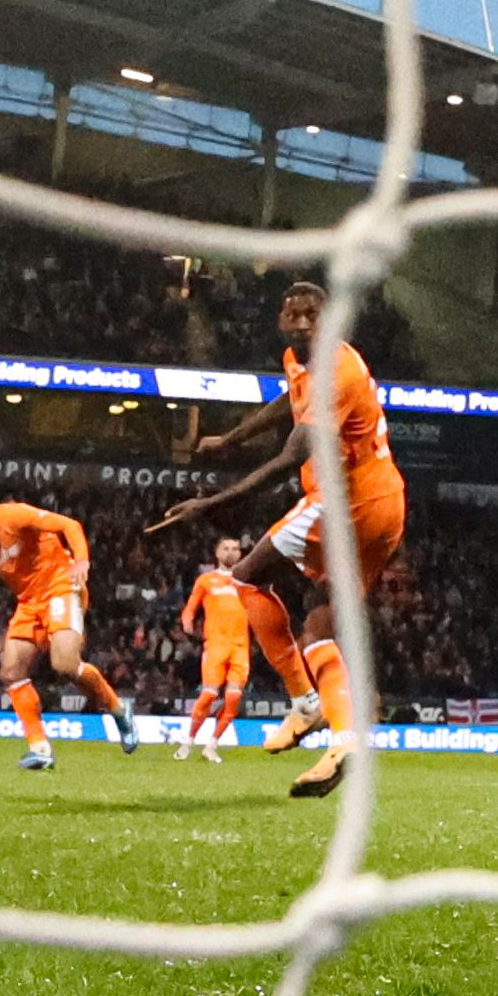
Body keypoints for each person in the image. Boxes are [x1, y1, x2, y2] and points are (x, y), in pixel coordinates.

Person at [154, 279, 406, 799]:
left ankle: (304, 702)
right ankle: (343, 739)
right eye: (291, 314)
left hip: (346, 505)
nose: (300, 322)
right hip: (386, 503)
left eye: (311, 314)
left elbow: (292, 455)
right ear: (280, 320)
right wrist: (232, 437)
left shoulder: (338, 369)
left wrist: (211, 503)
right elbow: (286, 401)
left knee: (245, 577)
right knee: (319, 622)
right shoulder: (302, 359)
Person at [0, 481, 134, 770]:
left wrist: (82, 561)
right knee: (10, 670)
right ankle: (40, 748)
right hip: (29, 601)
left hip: (61, 584)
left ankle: (119, 709)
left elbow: (70, 525)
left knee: (64, 664)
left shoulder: (15, 515)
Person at [172, 538, 260, 761]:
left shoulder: (248, 582)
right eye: (226, 549)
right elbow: (190, 607)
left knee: (232, 700)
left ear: (240, 554)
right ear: (217, 553)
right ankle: (188, 742)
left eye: (235, 549)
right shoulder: (206, 580)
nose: (231, 553)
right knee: (208, 695)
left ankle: (212, 745)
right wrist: (187, 622)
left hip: (240, 646)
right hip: (216, 646)